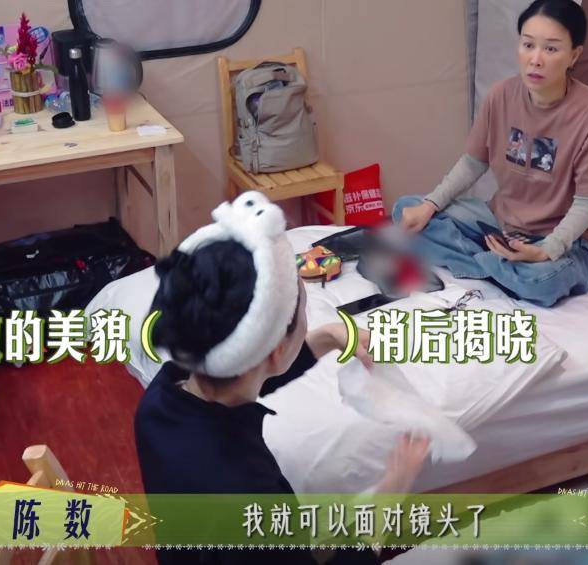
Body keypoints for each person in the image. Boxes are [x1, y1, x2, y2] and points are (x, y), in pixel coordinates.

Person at [135, 191, 430, 564]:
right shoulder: (248, 497)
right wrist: (391, 492)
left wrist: (327, 337)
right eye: (305, 308)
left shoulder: (160, 398)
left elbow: (243, 373)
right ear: (275, 351)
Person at [394, 0, 588, 307]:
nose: (535, 59)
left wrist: (546, 250)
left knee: (542, 282)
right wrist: (430, 205)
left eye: (551, 49)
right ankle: (500, 266)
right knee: (407, 209)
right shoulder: (501, 95)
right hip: (501, 225)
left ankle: (493, 265)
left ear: (574, 55)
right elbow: (473, 163)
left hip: (569, 243)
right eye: (528, 45)